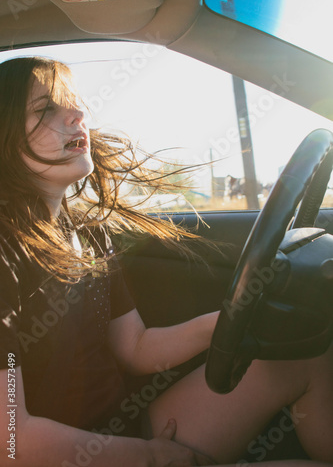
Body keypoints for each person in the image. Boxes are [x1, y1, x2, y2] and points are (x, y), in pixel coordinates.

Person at [0, 56, 332, 467]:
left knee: (306, 352)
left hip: (123, 430)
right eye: (45, 108)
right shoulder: (6, 253)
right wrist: (149, 457)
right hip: (65, 456)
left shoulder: (87, 232)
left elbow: (135, 347)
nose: (78, 114)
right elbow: (11, 439)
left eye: (74, 102)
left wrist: (236, 320)